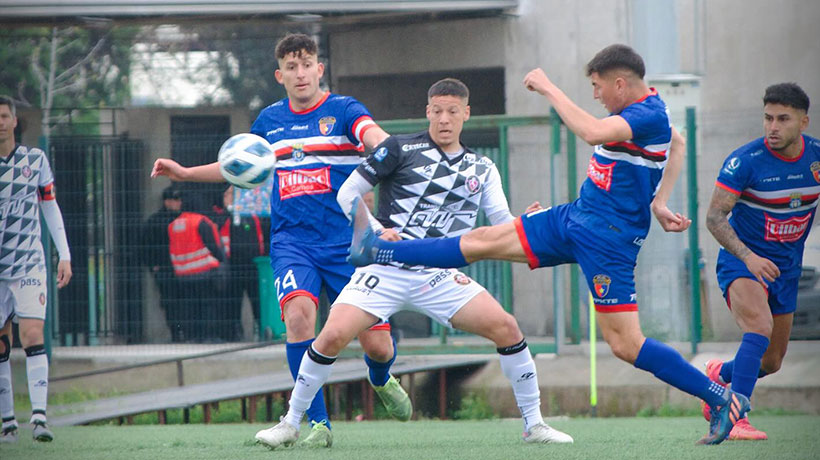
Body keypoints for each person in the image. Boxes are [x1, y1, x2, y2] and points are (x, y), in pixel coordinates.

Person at [347, 44, 749, 445]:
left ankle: (718, 398)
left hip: (609, 241)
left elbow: (592, 132)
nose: (596, 95)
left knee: (626, 344)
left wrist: (547, 87)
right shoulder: (643, 111)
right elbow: (676, 143)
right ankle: (379, 249)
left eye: (597, 87)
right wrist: (659, 201)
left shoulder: (646, 113)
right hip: (575, 217)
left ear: (621, 84)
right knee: (482, 240)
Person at [253, 78, 574, 449]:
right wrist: (373, 231)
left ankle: (534, 425)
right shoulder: (398, 149)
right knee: (332, 336)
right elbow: (347, 192)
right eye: (437, 111)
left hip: (437, 276)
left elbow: (501, 223)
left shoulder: (482, 167)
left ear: (466, 114)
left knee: (506, 327)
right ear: (427, 112)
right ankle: (291, 423)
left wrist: (524, 221)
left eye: (452, 111)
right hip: (384, 270)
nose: (444, 119)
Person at [150, 33, 410, 447]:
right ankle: (318, 423)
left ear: (319, 69)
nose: (301, 73)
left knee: (377, 344)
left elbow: (376, 138)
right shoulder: (270, 121)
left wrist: (385, 149)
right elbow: (238, 164)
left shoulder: (344, 111)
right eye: (292, 67)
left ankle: (381, 376)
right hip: (293, 242)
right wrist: (184, 173)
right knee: (298, 319)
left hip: (349, 244)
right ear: (280, 75)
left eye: (307, 64)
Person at [704, 83, 817, 441]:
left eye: (783, 119)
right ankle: (736, 417)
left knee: (771, 361)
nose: (773, 126)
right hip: (742, 262)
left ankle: (719, 374)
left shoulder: (815, 160)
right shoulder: (745, 162)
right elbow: (714, 218)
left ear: (804, 121)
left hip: (786, 270)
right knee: (759, 327)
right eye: (768, 118)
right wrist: (749, 257)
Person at [0, 95, 72, 443]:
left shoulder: (35, 159)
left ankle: (39, 419)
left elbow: (50, 207)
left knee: (31, 335)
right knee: (2, 343)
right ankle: (8, 423)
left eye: (3, 116)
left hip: (28, 261)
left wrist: (65, 254)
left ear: (15, 120)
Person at [212, 186, 270, 341]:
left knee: (257, 300)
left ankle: (261, 330)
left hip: (253, 265)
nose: (232, 197)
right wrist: (227, 207)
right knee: (232, 302)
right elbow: (216, 228)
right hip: (232, 265)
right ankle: (234, 334)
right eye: (228, 194)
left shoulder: (254, 215)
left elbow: (265, 234)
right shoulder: (221, 215)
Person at [167, 195, 227, 342]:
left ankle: (192, 336)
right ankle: (209, 336)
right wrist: (221, 259)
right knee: (208, 305)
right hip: (203, 271)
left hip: (182, 273)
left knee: (189, 306)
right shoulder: (201, 221)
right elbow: (212, 245)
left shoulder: (173, 224)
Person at [141, 186, 183, 342]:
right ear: (167, 201)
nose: (179, 203)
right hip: (166, 269)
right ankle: (175, 334)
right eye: (175, 200)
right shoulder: (155, 222)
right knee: (170, 302)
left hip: (183, 267)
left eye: (180, 200)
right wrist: (153, 266)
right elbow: (145, 246)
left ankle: (181, 332)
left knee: (181, 301)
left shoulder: (183, 219)